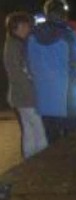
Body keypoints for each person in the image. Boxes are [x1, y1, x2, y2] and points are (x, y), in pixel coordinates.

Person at [27, 0, 76, 144]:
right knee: (72, 137)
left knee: (52, 137)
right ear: (63, 14)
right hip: (67, 94)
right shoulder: (69, 36)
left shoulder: (32, 37)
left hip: (44, 95)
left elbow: (28, 65)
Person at [2, 11, 48, 159]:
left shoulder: (12, 44)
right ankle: (42, 159)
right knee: (38, 129)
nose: (29, 29)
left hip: (19, 95)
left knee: (29, 129)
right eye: (27, 25)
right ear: (19, 27)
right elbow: (23, 73)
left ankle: (30, 159)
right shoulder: (17, 46)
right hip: (26, 95)